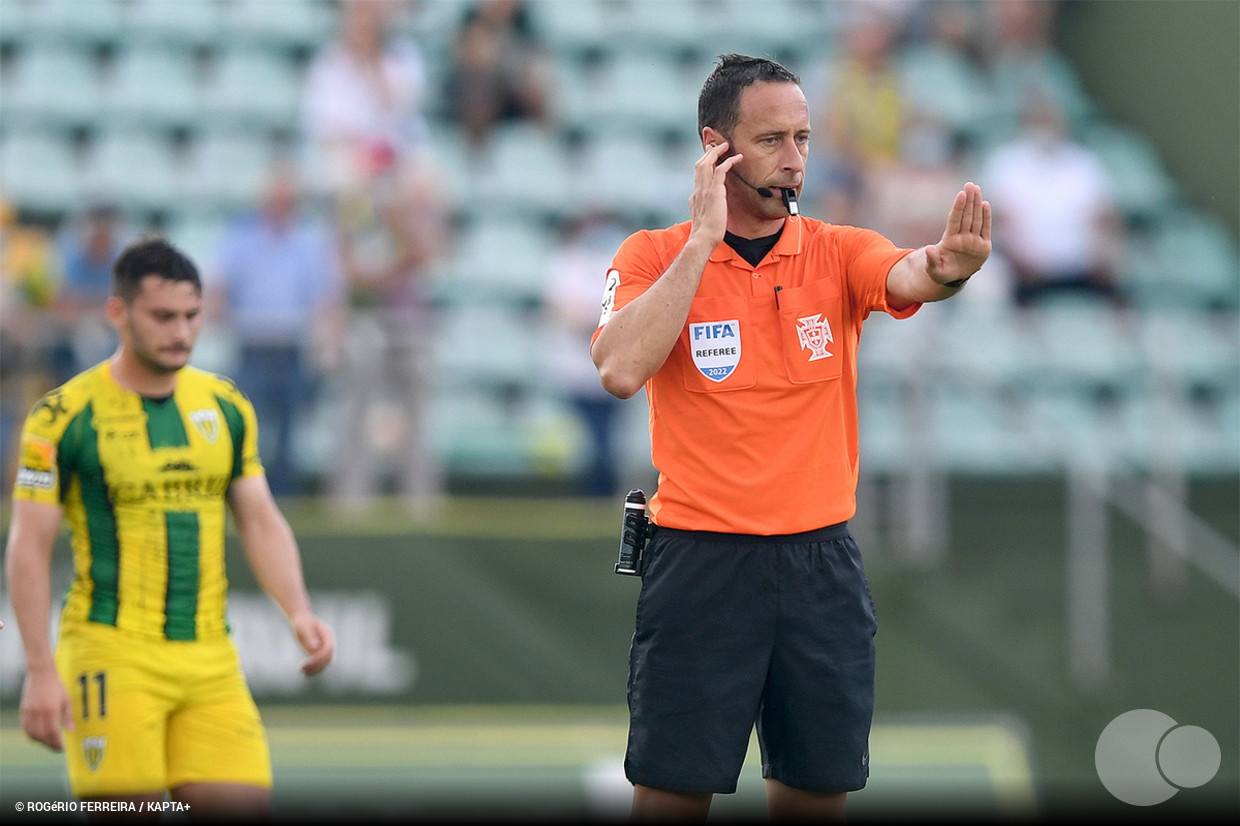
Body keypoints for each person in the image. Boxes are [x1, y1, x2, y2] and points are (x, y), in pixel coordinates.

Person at [590, 54, 991, 821]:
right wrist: (701, 242)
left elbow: (912, 275)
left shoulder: (837, 251)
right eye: (773, 140)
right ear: (717, 147)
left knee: (815, 796)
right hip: (701, 565)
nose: (796, 160)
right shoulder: (651, 255)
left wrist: (951, 267)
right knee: (671, 797)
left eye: (803, 138)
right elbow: (617, 368)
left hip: (821, 568)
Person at [4, 235, 335, 820]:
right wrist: (39, 669)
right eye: (163, 316)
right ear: (118, 313)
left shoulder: (226, 405)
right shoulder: (62, 417)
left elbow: (259, 519)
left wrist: (299, 609)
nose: (181, 332)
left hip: (211, 658)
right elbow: (28, 549)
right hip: (111, 652)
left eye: (192, 316)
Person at [209, 160, 345, 497]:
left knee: (288, 430)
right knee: (246, 425)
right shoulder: (242, 236)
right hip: (252, 343)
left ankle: (284, 496)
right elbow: (219, 283)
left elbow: (326, 294)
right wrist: (219, 308)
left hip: (290, 345)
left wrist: (327, 334)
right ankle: (242, 493)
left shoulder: (308, 240)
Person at [978, 87, 1124, 308]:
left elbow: (1103, 217)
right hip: (1025, 273)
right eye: (1039, 119)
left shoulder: (1084, 162)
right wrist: (1021, 261)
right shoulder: (1006, 162)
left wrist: (1102, 259)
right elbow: (1001, 218)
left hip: (1084, 271)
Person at [541, 209, 631, 497]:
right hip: (576, 371)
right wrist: (604, 322)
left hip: (614, 372)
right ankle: (586, 499)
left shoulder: (618, 262)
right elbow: (565, 313)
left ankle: (604, 499)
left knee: (609, 445)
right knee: (587, 445)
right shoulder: (567, 264)